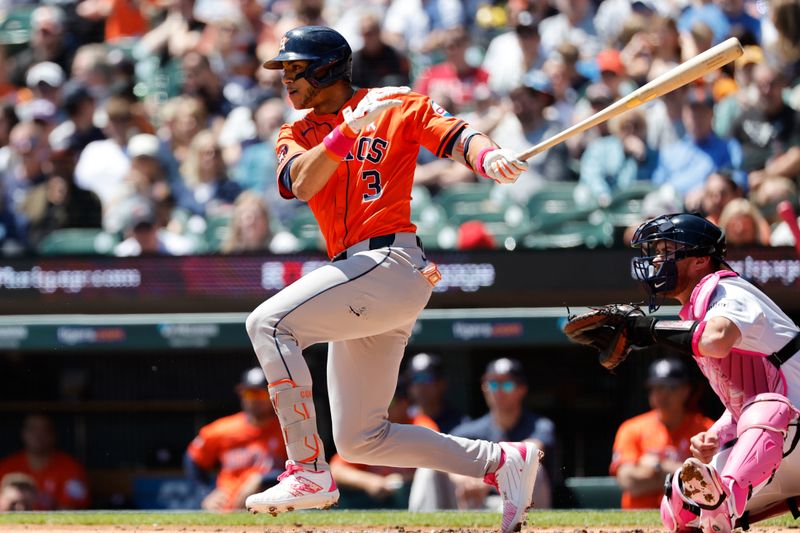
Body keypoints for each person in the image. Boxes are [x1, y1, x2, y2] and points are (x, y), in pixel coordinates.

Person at [243, 25, 541, 533]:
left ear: (325, 69)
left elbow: (456, 135)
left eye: (295, 70)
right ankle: (500, 461)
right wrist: (344, 132)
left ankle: (309, 471)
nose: (286, 80)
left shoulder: (394, 103)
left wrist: (489, 157)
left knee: (268, 324)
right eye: (285, 70)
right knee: (361, 438)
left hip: (391, 262)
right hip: (358, 278)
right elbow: (301, 182)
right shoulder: (296, 132)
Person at [620, 212, 800, 533]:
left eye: (667, 251)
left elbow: (716, 340)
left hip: (793, 431)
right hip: (783, 446)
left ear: (701, 260)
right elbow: (745, 403)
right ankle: (720, 507)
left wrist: (649, 330)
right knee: (676, 506)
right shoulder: (700, 306)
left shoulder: (729, 291)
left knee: (767, 408)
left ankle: (723, 504)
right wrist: (717, 434)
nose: (658, 260)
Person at [447, 357, 555, 511]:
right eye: (493, 384)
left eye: (507, 384)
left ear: (521, 389)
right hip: (475, 503)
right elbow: (446, 454)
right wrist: (462, 478)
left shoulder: (539, 425)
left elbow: (531, 450)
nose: (498, 391)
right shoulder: (470, 429)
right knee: (430, 470)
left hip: (518, 508)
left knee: (532, 467)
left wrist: (487, 479)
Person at [610, 358, 714, 509]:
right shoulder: (631, 428)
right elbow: (628, 481)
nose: (662, 394)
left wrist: (658, 467)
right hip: (640, 521)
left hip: (690, 518)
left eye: (670, 388)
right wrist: (683, 478)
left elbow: (710, 484)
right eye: (656, 387)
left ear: (686, 390)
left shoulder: (706, 429)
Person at [184, 367, 287, 511]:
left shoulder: (288, 429)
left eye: (261, 394)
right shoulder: (222, 429)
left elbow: (302, 471)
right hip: (227, 507)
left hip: (274, 506)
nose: (255, 400)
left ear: (272, 396)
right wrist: (205, 494)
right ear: (242, 394)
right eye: (250, 393)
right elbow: (193, 460)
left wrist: (263, 478)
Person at [329, 378, 437, 509]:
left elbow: (438, 469)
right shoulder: (370, 429)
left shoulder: (421, 426)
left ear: (404, 403)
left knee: (403, 489)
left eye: (388, 403)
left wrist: (404, 479)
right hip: (372, 499)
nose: (379, 409)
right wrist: (370, 481)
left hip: (410, 498)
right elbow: (336, 469)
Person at [0, 414, 89, 510]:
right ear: (23, 433)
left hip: (53, 523)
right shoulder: (7, 466)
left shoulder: (70, 467)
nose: (38, 435)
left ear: (53, 434)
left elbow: (72, 510)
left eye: (45, 430)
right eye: (32, 429)